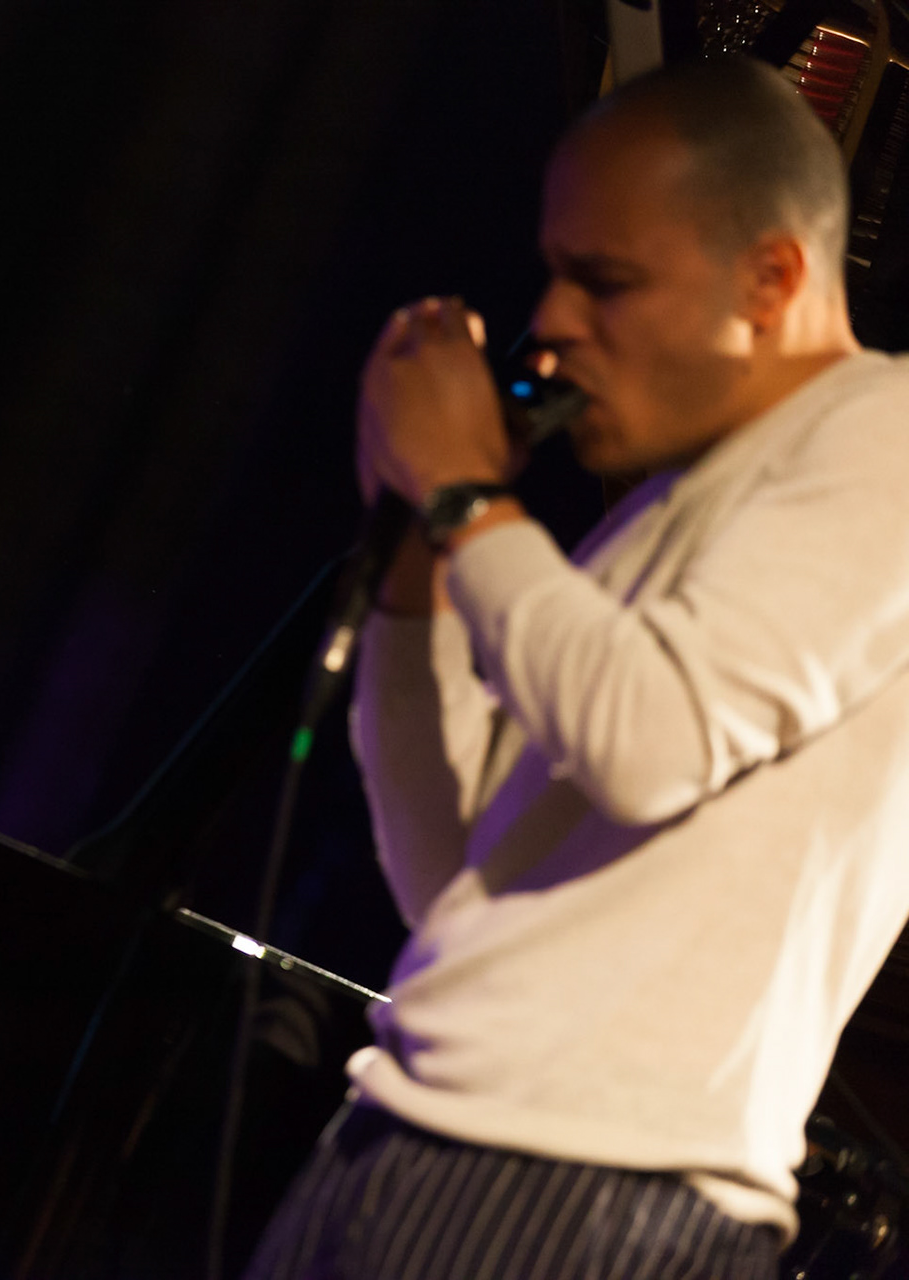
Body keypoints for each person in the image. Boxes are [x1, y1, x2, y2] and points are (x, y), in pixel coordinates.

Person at [246, 56, 909, 1280]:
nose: (550, 319)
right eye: (555, 271)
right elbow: (447, 871)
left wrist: (467, 495)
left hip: (588, 1189)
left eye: (604, 281)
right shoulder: (669, 504)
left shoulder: (887, 443)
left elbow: (648, 740)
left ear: (771, 276)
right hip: (411, 1132)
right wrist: (417, 568)